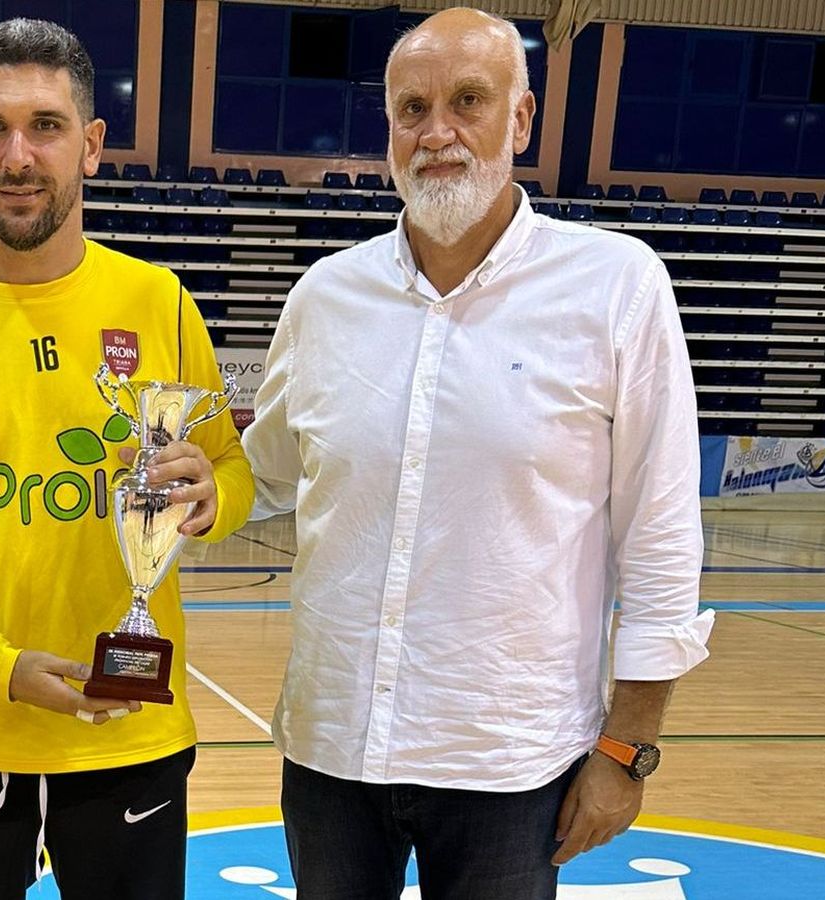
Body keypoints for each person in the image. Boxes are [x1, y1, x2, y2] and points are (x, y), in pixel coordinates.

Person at [239, 8, 714, 899]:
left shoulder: (618, 287)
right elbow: (264, 471)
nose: (437, 133)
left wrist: (627, 749)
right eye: (411, 109)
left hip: (511, 764)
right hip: (333, 747)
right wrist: (175, 489)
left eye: (468, 101)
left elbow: (659, 538)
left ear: (521, 120)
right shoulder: (324, 296)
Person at [0, 18, 253, 900]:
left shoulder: (158, 301)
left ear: (92, 145)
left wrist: (218, 494)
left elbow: (228, 464)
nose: (18, 155)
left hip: (129, 724)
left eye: (46, 126)